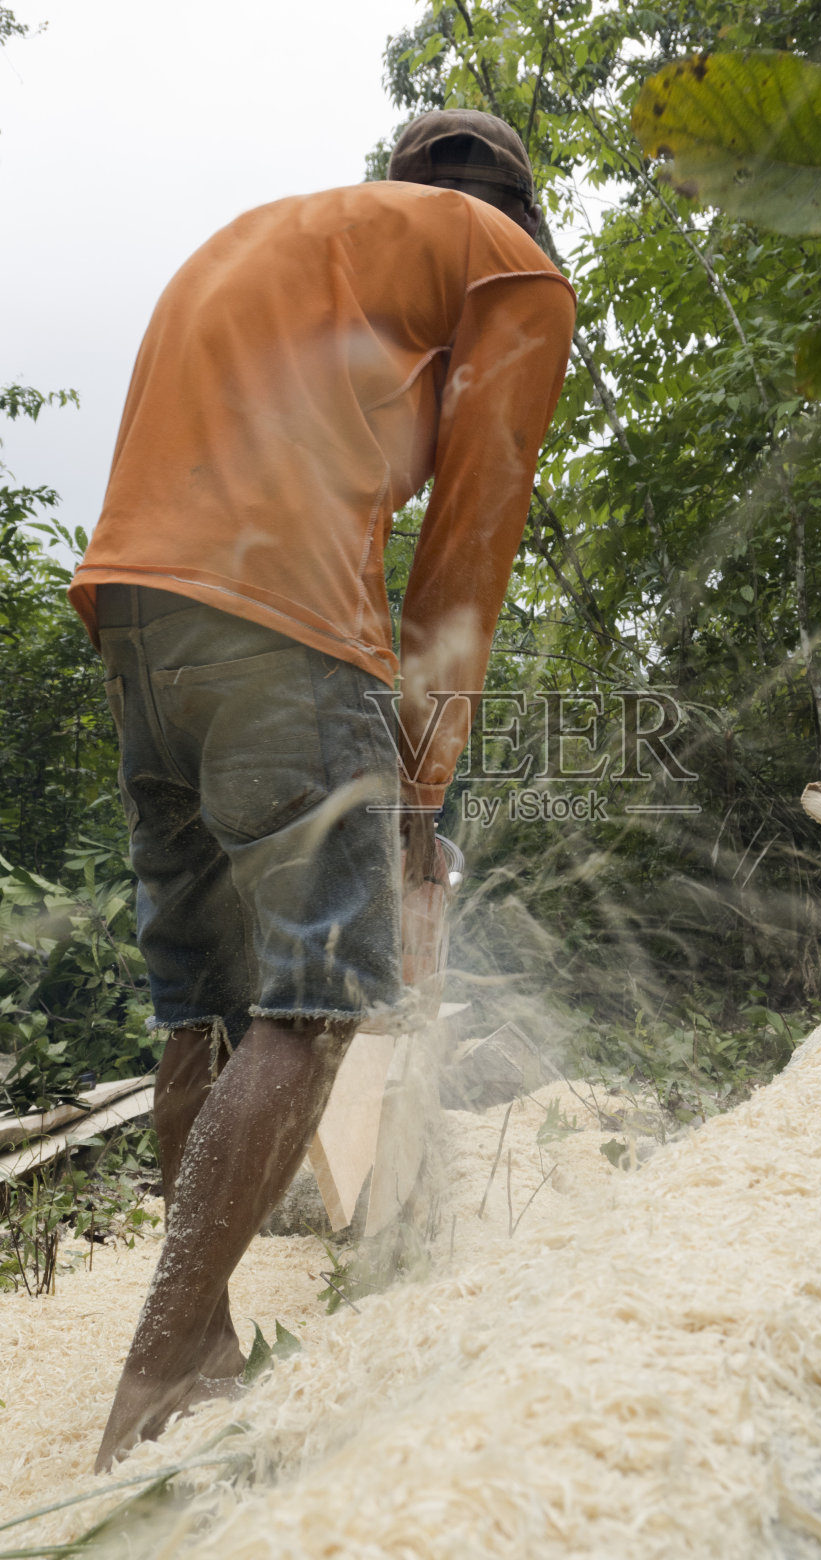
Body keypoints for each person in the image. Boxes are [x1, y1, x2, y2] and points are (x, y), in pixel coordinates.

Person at [67, 109, 576, 1470]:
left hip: (134, 621)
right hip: (281, 625)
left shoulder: (281, 240)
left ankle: (207, 1340)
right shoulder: (508, 268)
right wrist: (420, 794)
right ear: (514, 208)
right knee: (317, 1009)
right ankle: (164, 1373)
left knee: (203, 1011)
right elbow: (471, 533)